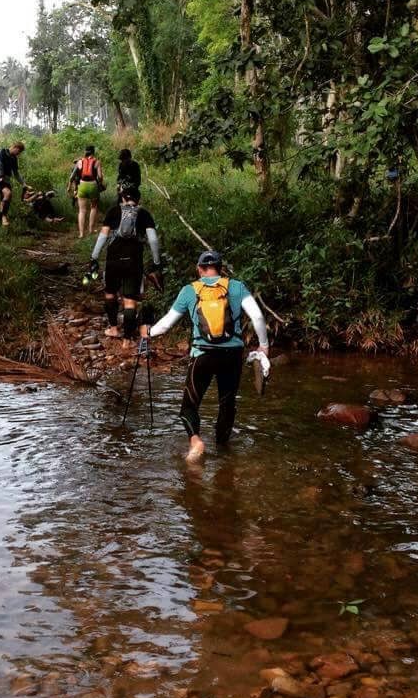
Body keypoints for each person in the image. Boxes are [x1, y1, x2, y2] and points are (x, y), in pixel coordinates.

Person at [145, 251, 270, 463]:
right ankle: (224, 454)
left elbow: (166, 325)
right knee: (227, 404)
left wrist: (148, 333)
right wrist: (264, 346)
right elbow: (257, 316)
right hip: (231, 356)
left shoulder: (189, 290)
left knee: (189, 405)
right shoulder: (236, 287)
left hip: (202, 354)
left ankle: (196, 442)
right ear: (221, 269)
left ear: (199, 269)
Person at [88, 185, 163, 343]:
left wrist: (94, 257)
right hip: (134, 260)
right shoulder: (144, 214)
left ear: (122, 198)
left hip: (113, 259)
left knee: (110, 293)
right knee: (130, 300)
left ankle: (114, 329)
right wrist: (157, 262)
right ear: (138, 199)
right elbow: (153, 240)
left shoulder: (113, 211)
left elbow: (103, 236)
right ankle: (127, 340)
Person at [69, 145, 106, 238]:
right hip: (93, 186)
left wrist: (70, 187)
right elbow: (100, 177)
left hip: (82, 186)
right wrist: (100, 182)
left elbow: (72, 177)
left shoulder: (79, 161)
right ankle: (91, 229)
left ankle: (81, 233)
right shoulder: (97, 162)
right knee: (93, 207)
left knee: (82, 210)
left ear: (85, 152)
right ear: (93, 152)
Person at [0, 142, 26, 226]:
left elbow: (16, 173)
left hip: (6, 180)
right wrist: (2, 176)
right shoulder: (2, 152)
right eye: (19, 151)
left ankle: (1, 219)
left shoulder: (14, 158)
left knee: (7, 198)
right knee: (8, 193)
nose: (19, 154)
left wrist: (23, 184)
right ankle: (3, 217)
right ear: (15, 147)